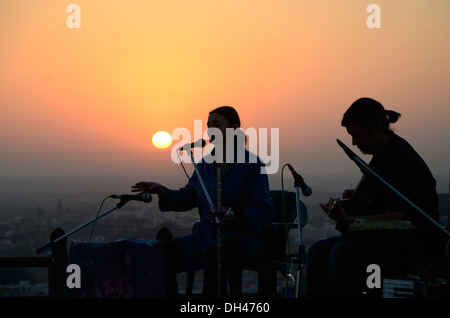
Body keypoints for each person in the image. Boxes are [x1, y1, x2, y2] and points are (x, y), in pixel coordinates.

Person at [132, 106, 274, 297]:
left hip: (241, 239)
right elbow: (188, 197)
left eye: (217, 124)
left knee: (215, 253)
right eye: (208, 125)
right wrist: (163, 191)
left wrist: (233, 215)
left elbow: (265, 210)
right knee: (162, 256)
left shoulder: (252, 164)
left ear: (234, 128)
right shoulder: (205, 164)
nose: (210, 130)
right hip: (205, 237)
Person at [306, 97, 441, 297]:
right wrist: (353, 197)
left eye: (357, 135)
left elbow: (396, 217)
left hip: (411, 243)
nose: (354, 142)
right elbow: (378, 195)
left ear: (377, 127)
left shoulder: (401, 159)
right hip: (385, 239)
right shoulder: (382, 155)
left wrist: (349, 220)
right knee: (317, 252)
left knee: (341, 254)